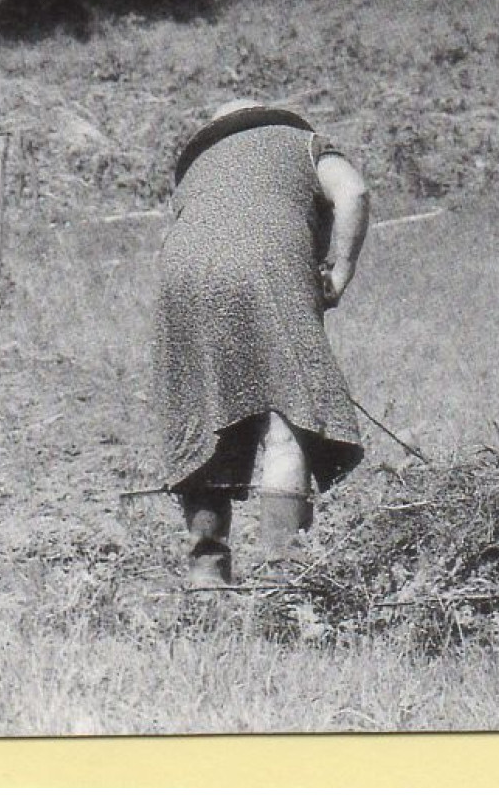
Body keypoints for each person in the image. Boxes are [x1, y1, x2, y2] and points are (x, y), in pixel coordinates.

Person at [155, 98, 370, 588]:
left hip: (180, 276)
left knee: (202, 416)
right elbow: (354, 192)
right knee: (288, 413)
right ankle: (281, 575)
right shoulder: (302, 144)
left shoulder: (198, 169)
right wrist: (342, 269)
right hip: (265, 266)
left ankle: (206, 577)